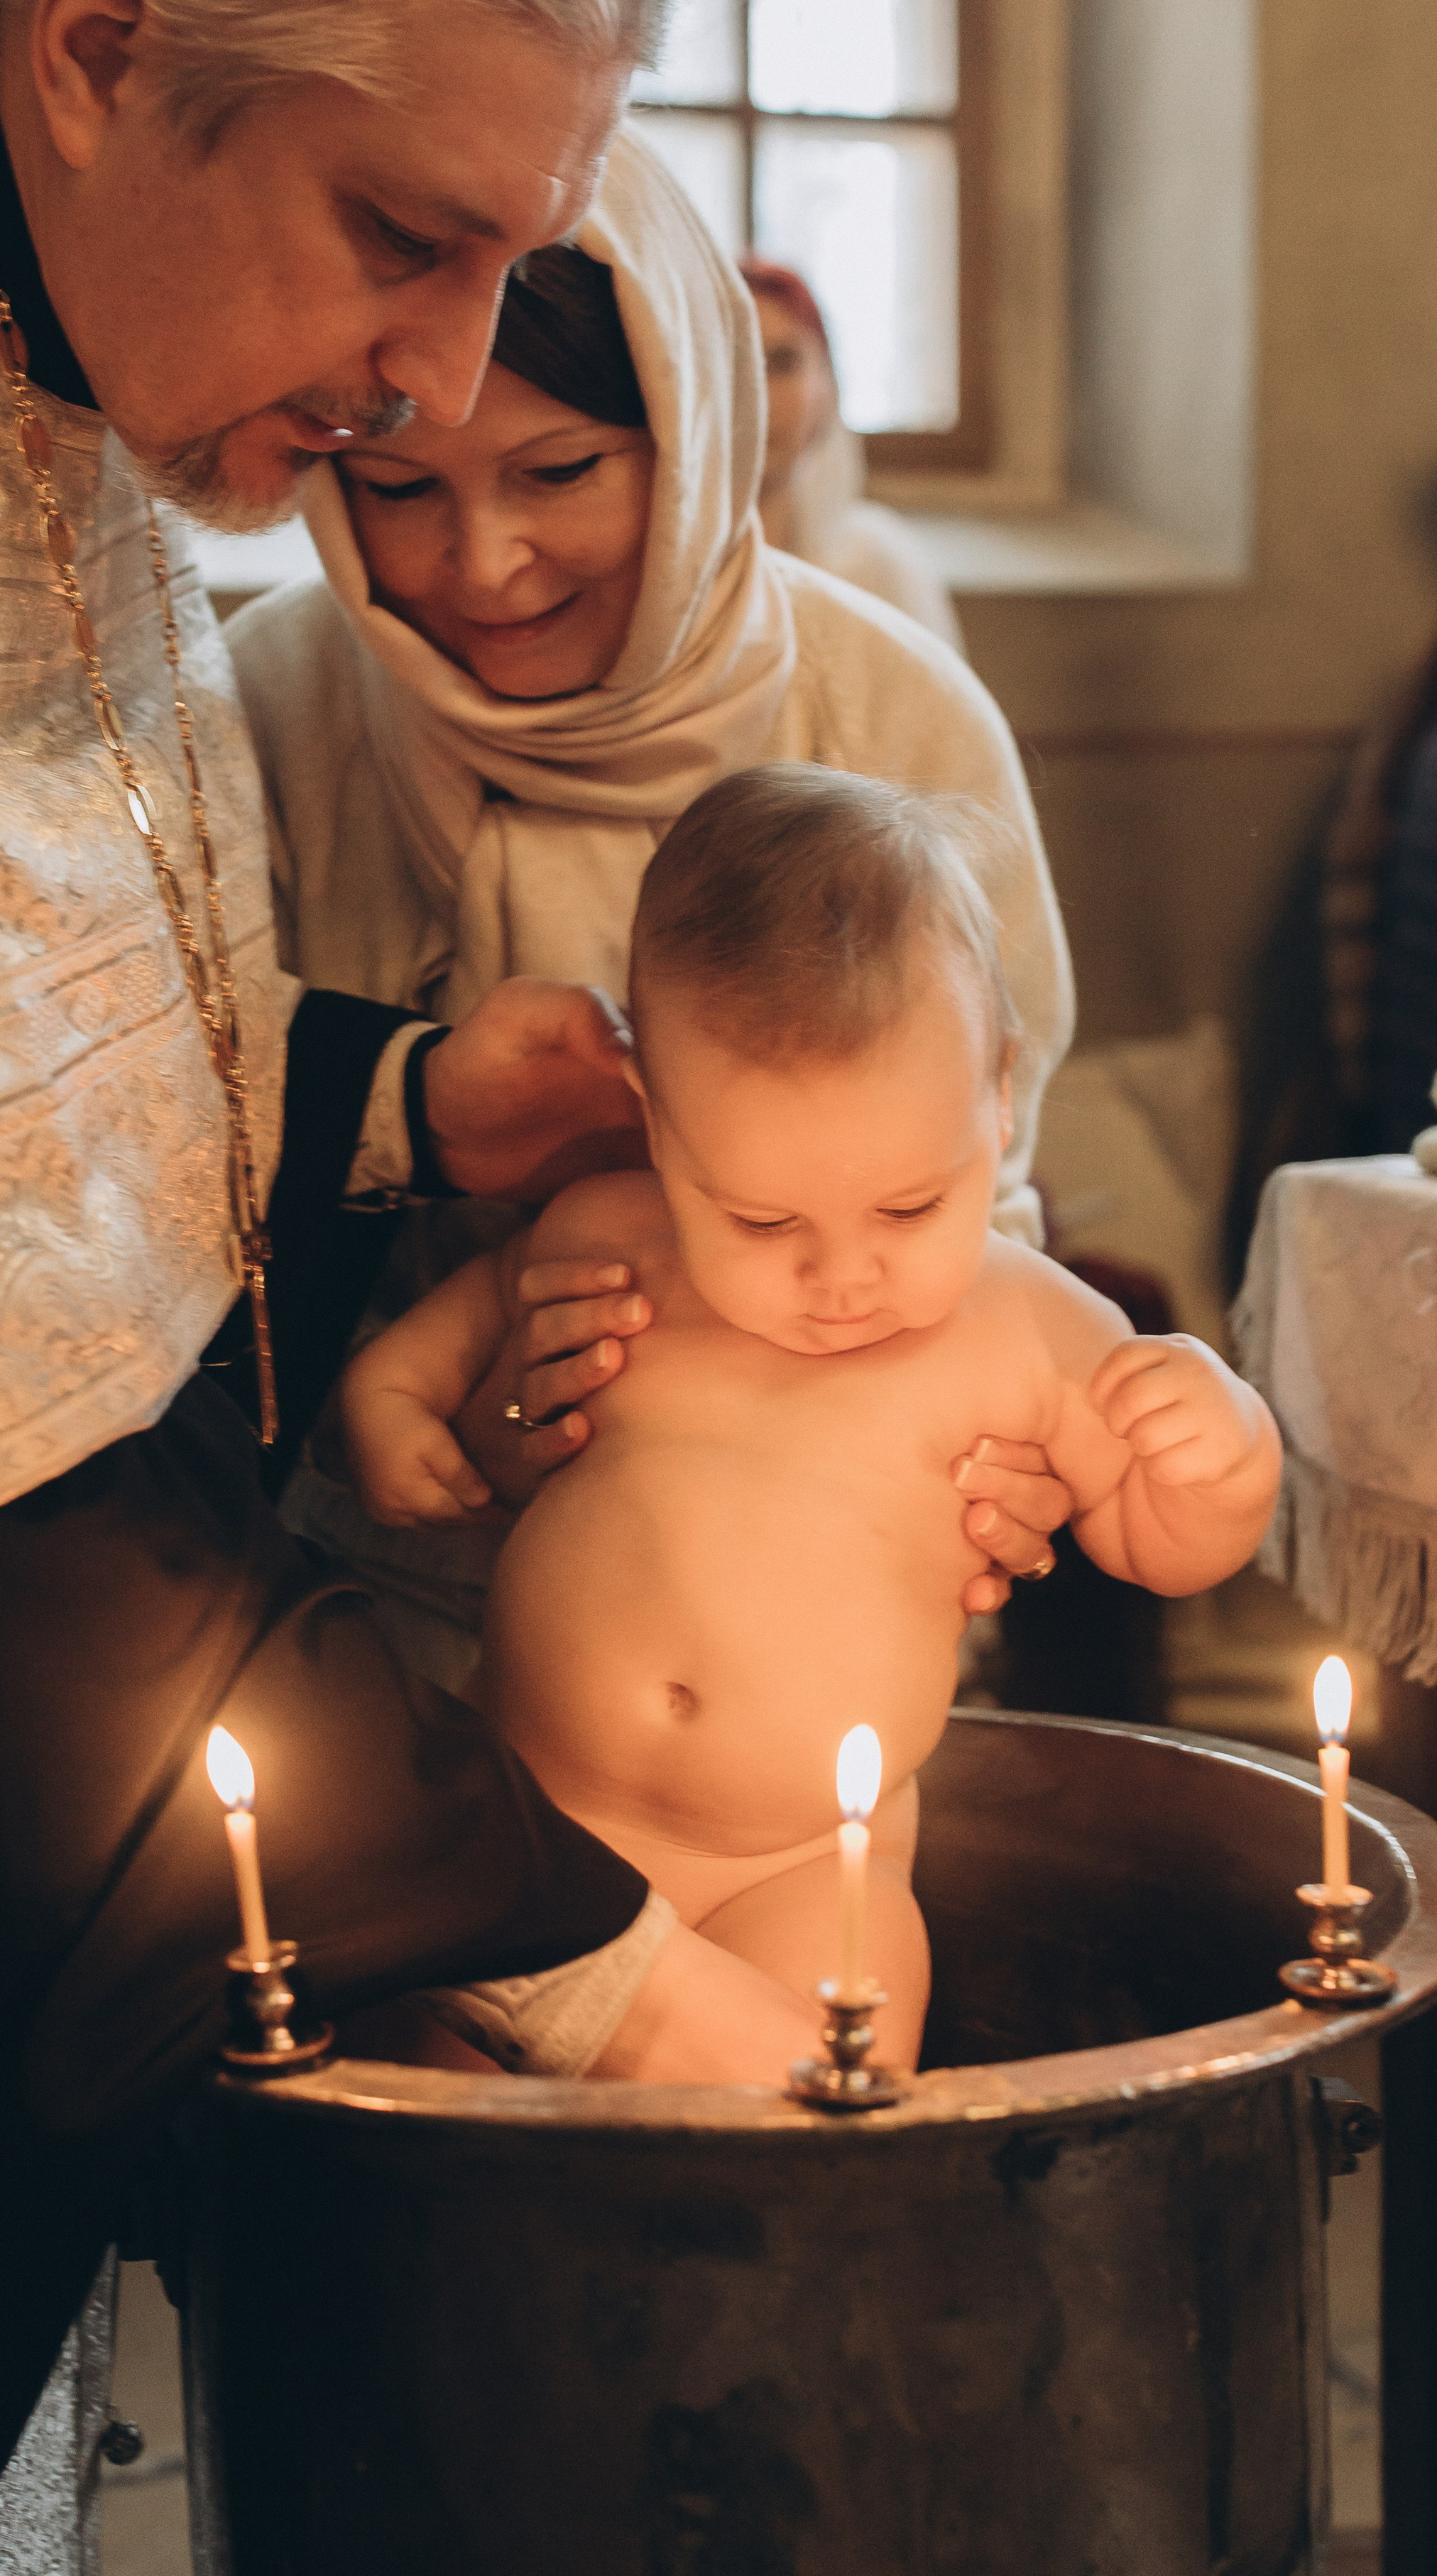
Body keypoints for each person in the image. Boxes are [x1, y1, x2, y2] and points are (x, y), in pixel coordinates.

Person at [0, 0, 850, 2567]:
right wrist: (619, 1987)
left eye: (501, 268)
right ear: (84, 47)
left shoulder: (21, 397)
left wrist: (401, 1105)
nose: (423, 399)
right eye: (394, 241)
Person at [227, 129, 1074, 1652]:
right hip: (382, 1594)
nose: (484, 566)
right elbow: (166, 1131)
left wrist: (990, 1464)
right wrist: (431, 1334)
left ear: (691, 438)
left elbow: (978, 1184)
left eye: (559, 472)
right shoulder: (271, 704)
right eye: (398, 486)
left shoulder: (887, 713)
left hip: (830, 1569)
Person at [342, 770, 1284, 2070]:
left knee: (817, 2117)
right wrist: (387, 1411)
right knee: (427, 2107)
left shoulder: (1030, 1327)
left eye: (910, 1209)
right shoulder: (610, 1238)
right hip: (528, 1822)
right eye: (763, 1220)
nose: (841, 1277)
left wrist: (1224, 1450)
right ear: (662, 1132)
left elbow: (1159, 1541)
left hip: (797, 1868)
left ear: (998, 1098)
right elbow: (447, 1336)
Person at [740, 255, 966, 655]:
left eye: (782, 363)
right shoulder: (657, 573)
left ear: (827, 386)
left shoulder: (878, 566)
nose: (757, 395)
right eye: (736, 366)